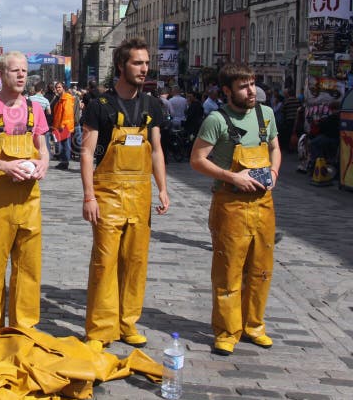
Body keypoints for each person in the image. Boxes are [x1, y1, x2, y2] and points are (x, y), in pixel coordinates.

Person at [80, 38, 169, 352]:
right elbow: (88, 153)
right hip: (107, 194)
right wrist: (89, 195)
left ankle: (127, 323)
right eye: (137, 63)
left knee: (135, 262)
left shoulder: (151, 105)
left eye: (146, 63)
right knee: (105, 263)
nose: (144, 69)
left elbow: (156, 150)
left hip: (140, 196)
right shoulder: (99, 106)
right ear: (122, 65)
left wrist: (162, 188)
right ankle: (101, 328)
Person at [190, 63, 281, 356]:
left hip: (263, 204)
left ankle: (254, 324)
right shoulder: (216, 120)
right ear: (227, 91)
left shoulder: (265, 115)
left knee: (261, 268)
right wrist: (233, 177)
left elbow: (275, 147)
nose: (252, 90)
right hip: (229, 203)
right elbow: (197, 159)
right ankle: (227, 330)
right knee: (228, 270)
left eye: (253, 83)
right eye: (244, 86)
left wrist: (275, 172)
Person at [0, 52, 49, 341]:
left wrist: (43, 165)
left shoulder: (35, 109)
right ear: (1, 74)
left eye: (24, 71)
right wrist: (4, 166)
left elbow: (43, 149)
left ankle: (24, 321)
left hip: (29, 197)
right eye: (14, 71)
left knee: (29, 260)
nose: (21, 76)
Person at [52, 81, 75, 170]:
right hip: (59, 125)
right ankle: (63, 162)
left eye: (59, 87)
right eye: (56, 87)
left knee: (65, 145)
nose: (57, 89)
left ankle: (65, 163)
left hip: (64, 125)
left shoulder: (67, 98)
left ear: (63, 88)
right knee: (61, 144)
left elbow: (67, 113)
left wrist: (63, 124)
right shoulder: (61, 98)